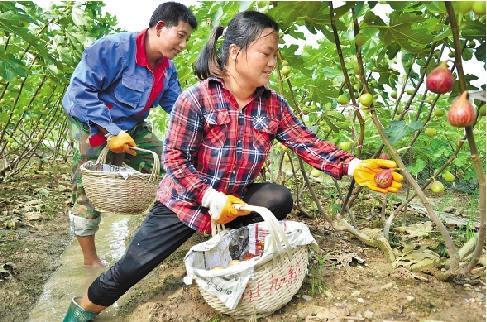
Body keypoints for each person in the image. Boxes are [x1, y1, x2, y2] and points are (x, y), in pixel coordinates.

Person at [62, 11, 403, 321]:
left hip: (234, 199)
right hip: (186, 201)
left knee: (277, 198)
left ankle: (228, 249)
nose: (272, 63)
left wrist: (352, 165)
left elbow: (307, 142)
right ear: (237, 53)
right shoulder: (196, 98)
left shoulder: (273, 106)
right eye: (266, 54)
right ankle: (83, 308)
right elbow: (175, 160)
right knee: (132, 267)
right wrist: (211, 199)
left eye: (274, 55)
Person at [62, 2, 196, 268]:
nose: (183, 45)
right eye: (181, 35)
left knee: (171, 163)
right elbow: (80, 91)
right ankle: (90, 261)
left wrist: (203, 130)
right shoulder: (114, 49)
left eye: (187, 39)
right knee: (88, 187)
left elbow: (177, 107)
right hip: (90, 123)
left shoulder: (167, 69)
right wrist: (111, 131)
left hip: (131, 126)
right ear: (159, 27)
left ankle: (172, 229)